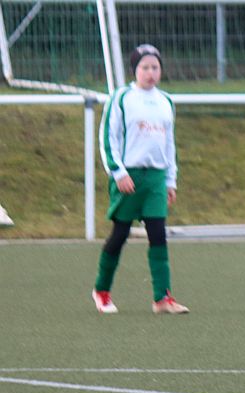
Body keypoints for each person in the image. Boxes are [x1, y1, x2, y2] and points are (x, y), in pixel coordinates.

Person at [92, 44, 187, 315]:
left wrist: (171, 180)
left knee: (158, 236)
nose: (150, 72)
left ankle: (162, 298)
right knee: (119, 235)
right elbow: (107, 138)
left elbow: (169, 144)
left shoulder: (166, 101)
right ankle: (101, 290)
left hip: (156, 179)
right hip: (129, 177)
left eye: (155, 67)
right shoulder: (121, 97)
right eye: (144, 67)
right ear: (135, 69)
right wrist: (118, 172)